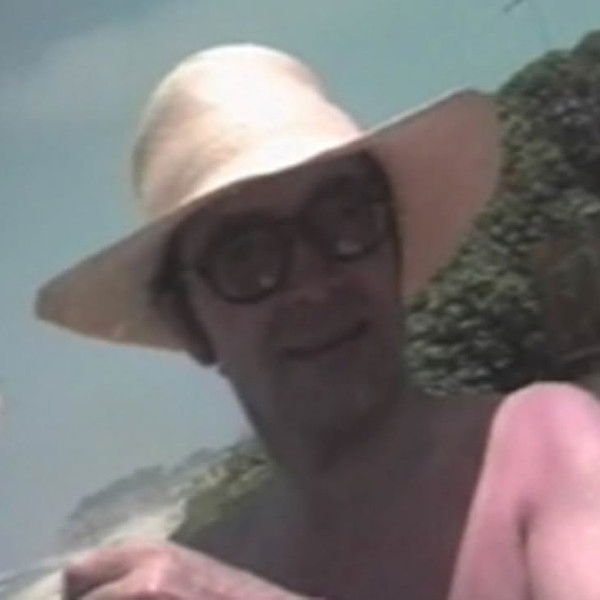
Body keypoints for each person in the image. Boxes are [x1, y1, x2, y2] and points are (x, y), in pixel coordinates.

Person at [35, 45, 600, 600]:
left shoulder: (546, 449)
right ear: (189, 322)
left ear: (393, 246)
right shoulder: (210, 558)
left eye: (344, 219)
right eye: (246, 256)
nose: (314, 284)